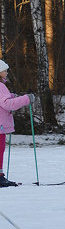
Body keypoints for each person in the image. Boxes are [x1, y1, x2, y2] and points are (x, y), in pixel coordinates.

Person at [0, 58, 31, 188]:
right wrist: (26, 99)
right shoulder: (1, 86)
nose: (6, 72)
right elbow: (7, 105)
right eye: (4, 70)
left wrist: (12, 96)